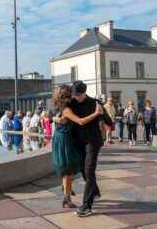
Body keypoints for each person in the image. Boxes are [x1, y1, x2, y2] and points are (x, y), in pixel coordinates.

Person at [51, 84, 103, 209]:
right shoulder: (67, 110)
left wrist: (55, 119)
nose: (73, 95)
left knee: (72, 166)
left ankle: (66, 191)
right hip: (64, 140)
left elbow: (46, 116)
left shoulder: (60, 107)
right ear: (66, 96)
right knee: (68, 170)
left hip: (61, 138)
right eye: (71, 93)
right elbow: (80, 121)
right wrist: (96, 113)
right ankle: (67, 198)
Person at [67, 81, 104, 217]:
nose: (75, 97)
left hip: (93, 141)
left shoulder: (95, 103)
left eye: (77, 94)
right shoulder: (72, 103)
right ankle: (94, 190)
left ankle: (87, 206)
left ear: (84, 93)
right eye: (73, 94)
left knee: (89, 170)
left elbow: (105, 119)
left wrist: (102, 122)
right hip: (79, 142)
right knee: (83, 169)